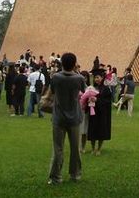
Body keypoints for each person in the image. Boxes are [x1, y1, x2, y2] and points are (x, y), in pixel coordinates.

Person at [48, 52, 86, 185]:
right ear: (75, 63)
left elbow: (52, 92)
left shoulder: (56, 77)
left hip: (58, 117)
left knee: (58, 148)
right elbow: (84, 91)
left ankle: (56, 177)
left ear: (61, 63)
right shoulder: (79, 78)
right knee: (75, 147)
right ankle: (75, 174)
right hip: (75, 117)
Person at [87, 69, 113, 155]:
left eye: (98, 77)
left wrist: (97, 99)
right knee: (92, 130)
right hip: (93, 113)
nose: (96, 79)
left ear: (102, 78)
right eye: (95, 78)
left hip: (102, 113)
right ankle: (93, 148)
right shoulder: (91, 88)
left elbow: (108, 102)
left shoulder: (106, 89)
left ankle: (99, 149)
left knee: (101, 131)